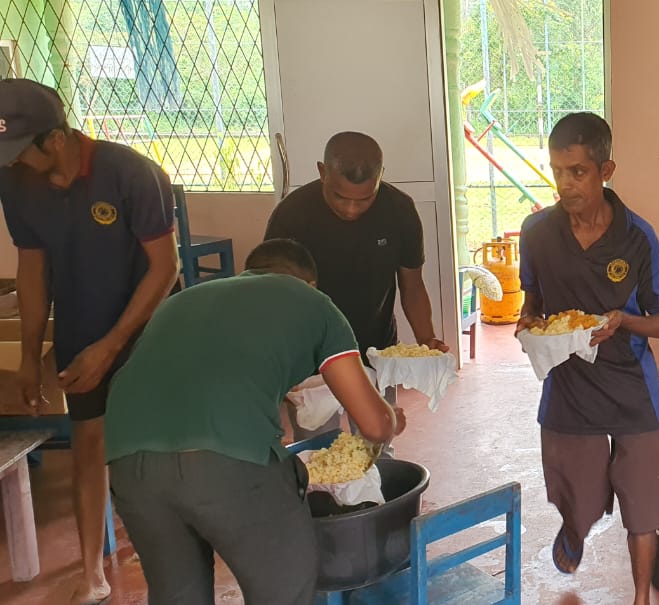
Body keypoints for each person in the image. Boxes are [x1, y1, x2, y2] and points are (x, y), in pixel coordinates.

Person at [103, 239, 404, 604]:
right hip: (227, 463)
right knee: (282, 590)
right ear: (308, 283)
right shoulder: (313, 303)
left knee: (176, 594)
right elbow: (372, 426)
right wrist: (392, 420)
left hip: (128, 459)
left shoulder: (184, 300)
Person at [0, 78, 179, 605]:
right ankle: (92, 573)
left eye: (16, 152)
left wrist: (112, 345)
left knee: (156, 448)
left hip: (148, 329)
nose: (10, 163)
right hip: (82, 329)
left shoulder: (130, 173)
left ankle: (164, 545)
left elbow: (164, 269)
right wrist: (29, 358)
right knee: (88, 447)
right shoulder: (15, 182)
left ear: (55, 139)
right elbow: (31, 266)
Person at [517, 112, 659, 605]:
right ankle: (575, 527)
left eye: (578, 172)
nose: (565, 184)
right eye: (557, 171)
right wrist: (527, 324)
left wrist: (622, 321)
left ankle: (641, 596)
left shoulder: (637, 237)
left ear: (606, 170)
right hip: (568, 383)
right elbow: (533, 302)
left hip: (630, 382)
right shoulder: (538, 232)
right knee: (578, 497)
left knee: (643, 504)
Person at [264, 131, 446, 445]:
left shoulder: (399, 210)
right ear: (322, 172)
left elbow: (412, 285)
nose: (351, 209)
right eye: (339, 196)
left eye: (364, 199)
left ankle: (379, 495)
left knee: (378, 444)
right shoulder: (292, 216)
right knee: (322, 451)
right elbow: (272, 296)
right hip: (312, 359)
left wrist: (425, 339)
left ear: (381, 178)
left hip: (374, 350)